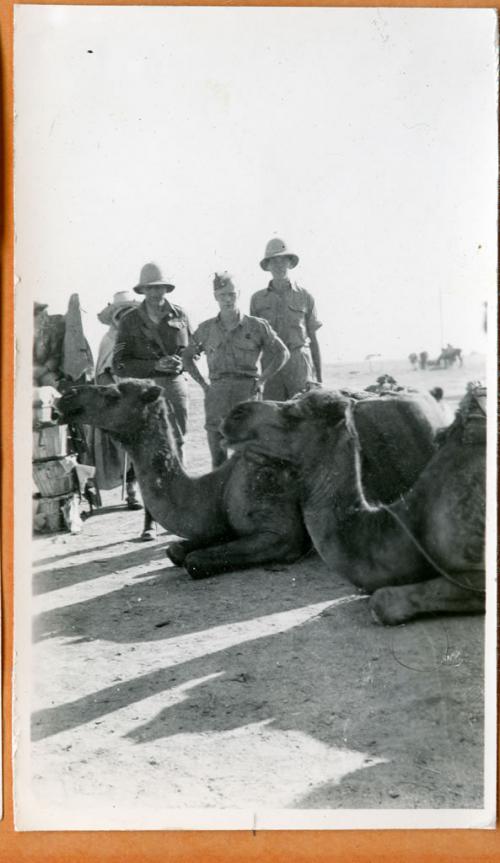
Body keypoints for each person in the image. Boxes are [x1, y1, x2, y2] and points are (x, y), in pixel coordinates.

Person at [113, 262, 192, 539]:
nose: (156, 292)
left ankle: (180, 512)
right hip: (145, 390)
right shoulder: (129, 321)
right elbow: (119, 365)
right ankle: (151, 518)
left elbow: (190, 353)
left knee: (177, 445)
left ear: (166, 288)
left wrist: (179, 362)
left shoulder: (180, 315)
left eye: (160, 287)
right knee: (146, 452)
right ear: (143, 289)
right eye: (150, 288)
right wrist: (155, 365)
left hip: (174, 387)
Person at [182, 271, 289, 467]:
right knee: (218, 458)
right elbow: (187, 357)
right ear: (215, 296)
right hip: (217, 395)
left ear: (238, 294)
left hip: (246, 393)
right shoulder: (206, 329)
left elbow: (283, 353)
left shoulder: (256, 326)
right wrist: (204, 386)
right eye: (222, 295)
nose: (227, 299)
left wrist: (262, 380)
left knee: (251, 457)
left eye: (231, 294)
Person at [250, 238, 322, 399]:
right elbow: (254, 342)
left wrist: (319, 378)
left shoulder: (305, 296)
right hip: (271, 365)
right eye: (274, 261)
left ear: (290, 263)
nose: (279, 265)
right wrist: (256, 377)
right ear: (267, 266)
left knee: (303, 418)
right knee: (273, 417)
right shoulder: (257, 299)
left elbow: (314, 339)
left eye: (283, 260)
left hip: (299, 364)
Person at [94, 291, 141, 509]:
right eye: (122, 314)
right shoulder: (109, 339)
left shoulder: (142, 335)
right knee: (126, 446)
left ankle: (143, 489)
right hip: (118, 397)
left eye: (130, 313)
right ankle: (132, 491)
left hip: (141, 396)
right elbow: (102, 374)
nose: (126, 318)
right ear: (116, 316)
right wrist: (114, 391)